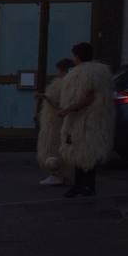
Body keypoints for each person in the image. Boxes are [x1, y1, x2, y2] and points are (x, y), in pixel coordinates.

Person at [56, 42, 115, 198]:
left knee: (86, 151)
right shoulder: (100, 72)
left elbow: (87, 98)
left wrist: (67, 110)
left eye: (74, 55)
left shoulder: (84, 74)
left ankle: (86, 186)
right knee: (81, 150)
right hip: (91, 119)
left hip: (85, 118)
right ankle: (82, 185)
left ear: (77, 56)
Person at [35, 58, 73, 186]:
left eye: (59, 70)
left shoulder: (62, 84)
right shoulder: (69, 84)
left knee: (53, 146)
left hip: (55, 120)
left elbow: (58, 104)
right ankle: (62, 174)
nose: (57, 72)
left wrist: (44, 97)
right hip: (59, 119)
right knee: (59, 146)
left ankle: (56, 175)